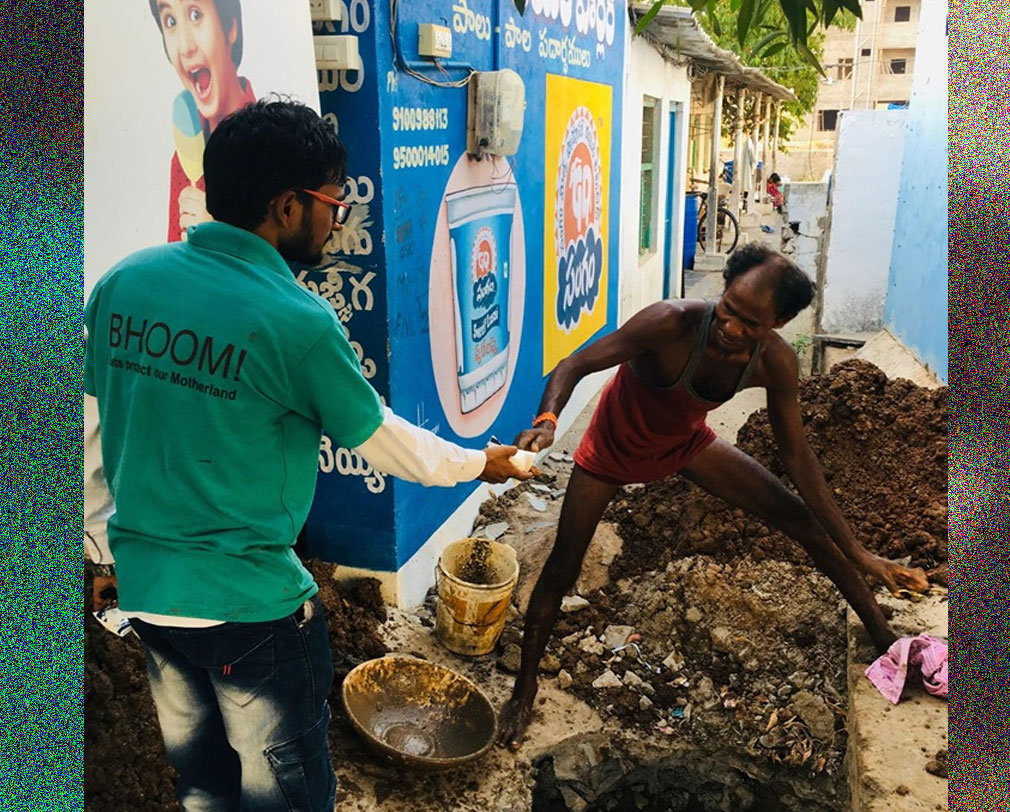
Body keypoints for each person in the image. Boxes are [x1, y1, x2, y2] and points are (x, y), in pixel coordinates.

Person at [84, 99, 531, 811]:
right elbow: (384, 440)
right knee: (283, 797)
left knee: (203, 786)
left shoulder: (123, 283)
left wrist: (100, 550)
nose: (338, 218)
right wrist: (481, 462)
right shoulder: (295, 320)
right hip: (248, 613)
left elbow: (91, 428)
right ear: (286, 206)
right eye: (334, 199)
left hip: (151, 599)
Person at [495, 243, 930, 750]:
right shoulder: (669, 322)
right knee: (561, 568)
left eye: (752, 322)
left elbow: (797, 457)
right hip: (611, 449)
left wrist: (861, 554)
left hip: (685, 444)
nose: (732, 327)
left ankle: (885, 640)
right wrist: (546, 424)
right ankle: (523, 691)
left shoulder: (776, 363)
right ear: (722, 290)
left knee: (802, 521)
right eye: (729, 309)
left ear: (781, 321)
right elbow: (574, 363)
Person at [148, 0, 254, 242]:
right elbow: (174, 266)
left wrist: (216, 234)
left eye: (196, 15)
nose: (185, 47)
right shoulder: (183, 159)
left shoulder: (275, 144)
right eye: (171, 21)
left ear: (230, 27)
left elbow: (279, 267)